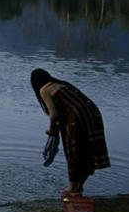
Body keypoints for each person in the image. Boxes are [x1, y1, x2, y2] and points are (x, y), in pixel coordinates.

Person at [30, 68, 110, 196]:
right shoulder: (62, 84)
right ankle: (79, 187)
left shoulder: (44, 89)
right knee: (87, 151)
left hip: (76, 118)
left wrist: (51, 130)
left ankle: (73, 188)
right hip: (93, 115)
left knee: (73, 151)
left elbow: (53, 115)